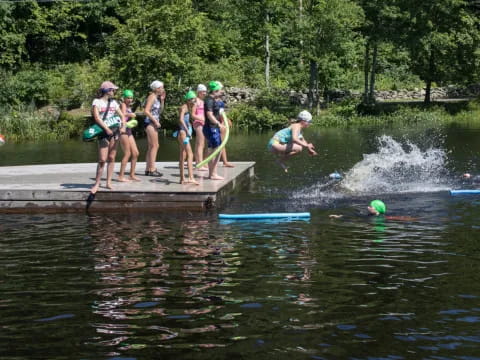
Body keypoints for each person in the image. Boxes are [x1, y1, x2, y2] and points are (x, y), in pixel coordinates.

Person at [90, 81, 125, 194]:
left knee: (111, 157)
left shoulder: (114, 103)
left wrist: (123, 126)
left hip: (115, 131)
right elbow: (97, 118)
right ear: (107, 91)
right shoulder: (97, 102)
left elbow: (122, 116)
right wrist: (106, 129)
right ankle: (97, 183)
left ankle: (108, 182)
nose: (114, 91)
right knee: (102, 160)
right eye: (113, 90)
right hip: (103, 132)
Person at [175, 90, 199, 185]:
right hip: (183, 134)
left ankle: (182, 179)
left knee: (183, 155)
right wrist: (188, 131)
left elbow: (185, 120)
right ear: (188, 100)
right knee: (190, 154)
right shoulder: (184, 107)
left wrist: (189, 124)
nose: (194, 101)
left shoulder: (188, 107)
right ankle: (191, 177)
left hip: (182, 133)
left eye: (194, 99)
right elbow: (180, 120)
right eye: (192, 99)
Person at [203, 81, 226, 180]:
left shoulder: (214, 100)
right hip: (211, 128)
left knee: (215, 149)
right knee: (215, 150)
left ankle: (212, 173)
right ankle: (213, 174)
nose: (222, 91)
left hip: (214, 127)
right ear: (216, 90)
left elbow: (216, 113)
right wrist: (218, 124)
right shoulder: (209, 100)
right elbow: (209, 115)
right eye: (220, 90)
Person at [143, 80, 166, 176]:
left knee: (151, 146)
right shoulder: (152, 97)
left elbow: (160, 111)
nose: (163, 89)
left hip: (153, 123)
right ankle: (152, 169)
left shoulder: (156, 98)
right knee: (155, 146)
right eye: (162, 87)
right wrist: (155, 121)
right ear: (157, 88)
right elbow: (146, 111)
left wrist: (162, 100)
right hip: (150, 123)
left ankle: (148, 169)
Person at [118, 89, 140, 182]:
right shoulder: (123, 105)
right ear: (124, 98)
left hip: (129, 131)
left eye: (131, 98)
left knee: (135, 153)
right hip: (122, 130)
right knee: (127, 153)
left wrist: (132, 122)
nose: (130, 100)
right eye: (128, 98)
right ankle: (121, 176)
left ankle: (132, 175)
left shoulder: (128, 106)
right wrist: (130, 114)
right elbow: (122, 114)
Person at [191, 84, 208, 171]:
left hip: (203, 123)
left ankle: (199, 162)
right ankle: (200, 164)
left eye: (205, 91)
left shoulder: (202, 101)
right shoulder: (196, 101)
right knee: (200, 144)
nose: (205, 93)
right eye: (203, 92)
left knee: (200, 144)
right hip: (198, 123)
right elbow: (193, 114)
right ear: (198, 92)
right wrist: (200, 118)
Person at [217, 100, 234, 168]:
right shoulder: (213, 106)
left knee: (222, 144)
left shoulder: (221, 110)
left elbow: (222, 115)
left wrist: (225, 121)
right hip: (213, 126)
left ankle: (225, 161)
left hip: (220, 125)